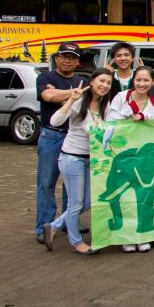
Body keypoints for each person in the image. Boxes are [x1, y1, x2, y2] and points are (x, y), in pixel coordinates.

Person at [43, 68, 113, 255]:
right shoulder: (80, 100)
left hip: (92, 159)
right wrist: (71, 100)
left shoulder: (106, 105)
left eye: (108, 82)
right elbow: (55, 121)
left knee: (88, 202)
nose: (104, 85)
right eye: (101, 81)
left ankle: (54, 225)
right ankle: (76, 242)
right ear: (92, 81)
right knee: (75, 203)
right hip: (72, 158)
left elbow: (112, 127)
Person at [105, 65, 154, 253]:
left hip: (144, 158)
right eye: (138, 80)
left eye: (146, 80)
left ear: (152, 82)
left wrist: (144, 117)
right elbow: (110, 121)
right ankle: (126, 236)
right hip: (124, 156)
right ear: (133, 80)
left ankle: (143, 235)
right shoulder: (121, 98)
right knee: (125, 196)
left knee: (144, 195)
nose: (142, 84)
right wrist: (130, 114)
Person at [35, 42, 83, 244]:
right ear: (56, 58)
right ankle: (43, 226)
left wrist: (61, 96)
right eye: (63, 56)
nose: (67, 60)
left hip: (74, 137)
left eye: (72, 57)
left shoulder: (82, 79)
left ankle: (66, 222)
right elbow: (48, 95)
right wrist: (74, 94)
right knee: (47, 183)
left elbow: (84, 101)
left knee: (72, 185)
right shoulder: (45, 77)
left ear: (77, 62)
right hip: (51, 136)